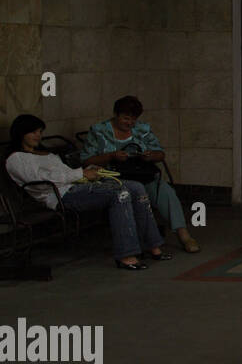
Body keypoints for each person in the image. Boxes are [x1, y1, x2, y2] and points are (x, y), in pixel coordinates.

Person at [5, 114, 169, 271]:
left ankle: (152, 245)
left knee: (136, 187)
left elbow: (66, 172)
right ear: (21, 132)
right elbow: (40, 182)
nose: (38, 135)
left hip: (77, 185)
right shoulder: (16, 158)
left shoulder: (45, 153)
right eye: (33, 131)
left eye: (40, 131)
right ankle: (126, 255)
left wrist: (88, 171)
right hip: (61, 196)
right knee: (120, 194)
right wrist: (80, 174)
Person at [81, 96, 200, 253]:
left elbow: (160, 154)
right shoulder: (99, 131)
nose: (130, 123)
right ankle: (144, 242)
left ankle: (183, 234)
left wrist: (150, 156)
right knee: (134, 192)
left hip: (141, 175)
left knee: (165, 192)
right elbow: (86, 160)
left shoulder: (142, 129)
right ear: (116, 115)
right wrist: (111, 156)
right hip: (113, 178)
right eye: (126, 118)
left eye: (133, 119)